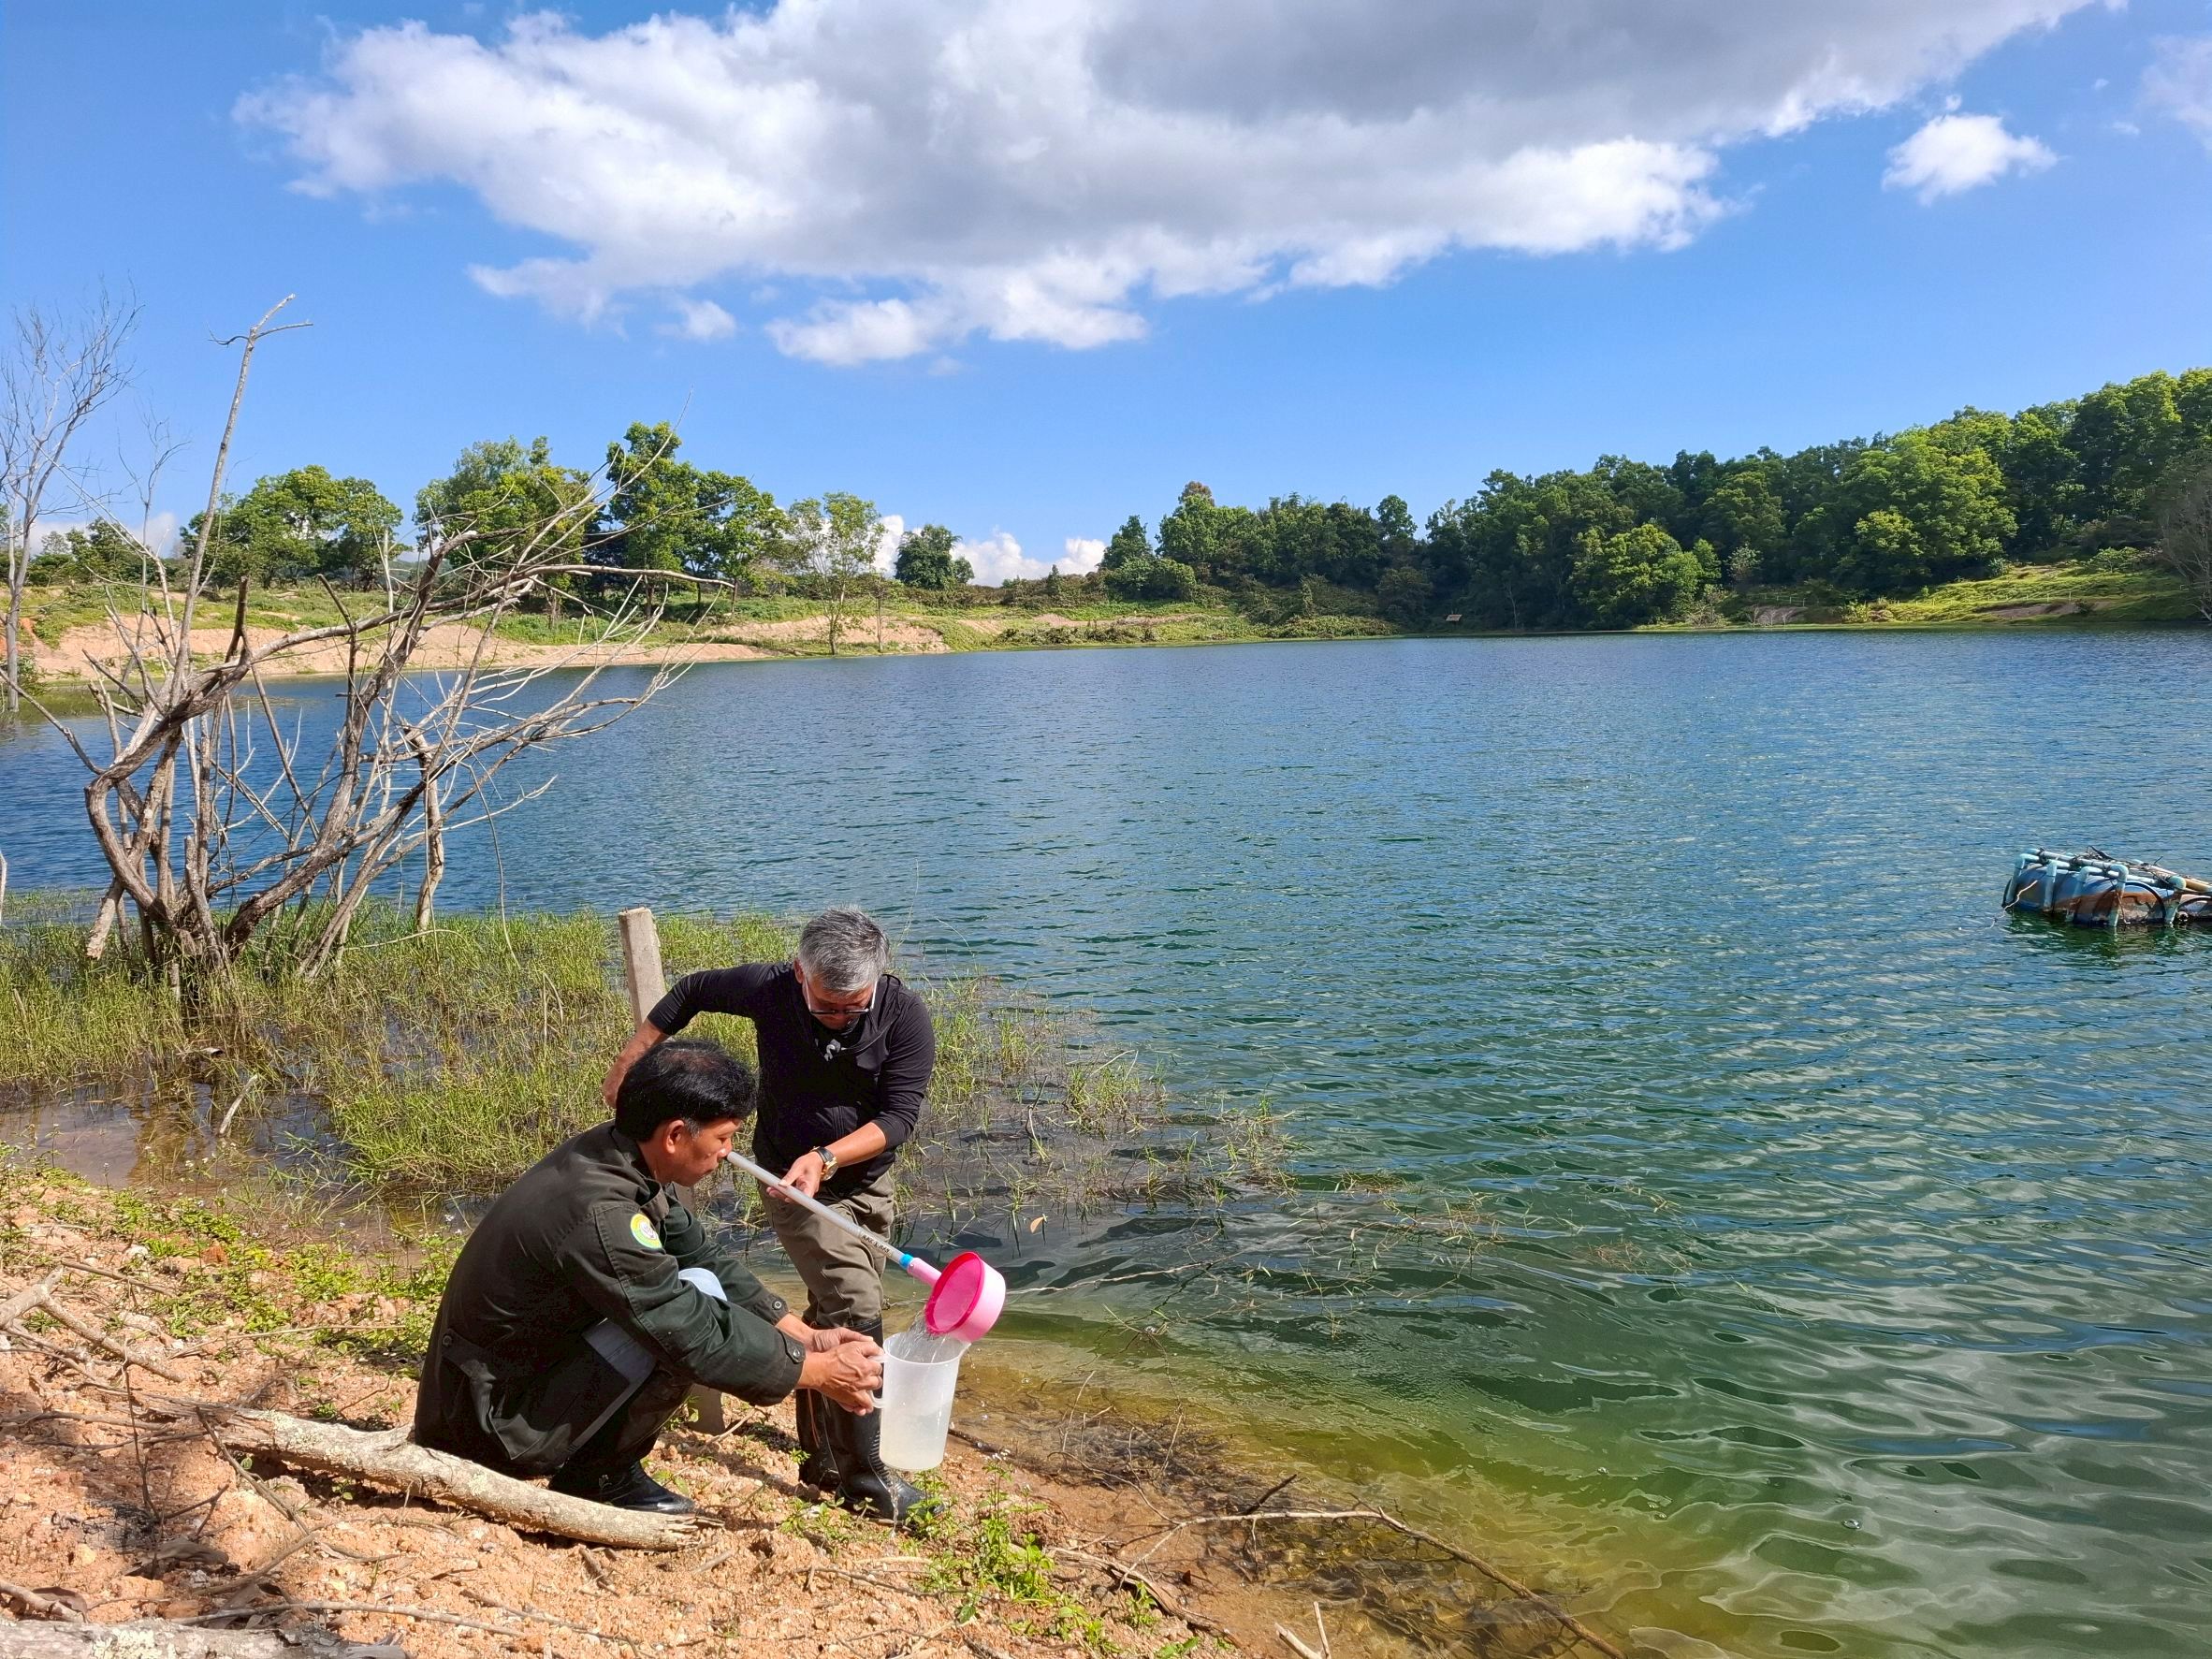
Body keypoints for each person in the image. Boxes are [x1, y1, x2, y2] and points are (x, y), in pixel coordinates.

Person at [414, 1038, 882, 1514]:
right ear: (676, 1135)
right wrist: (818, 1373)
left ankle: (601, 1467)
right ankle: (600, 1476)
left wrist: (803, 1335)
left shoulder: (614, 1153)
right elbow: (686, 1328)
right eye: (723, 1138)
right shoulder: (603, 1213)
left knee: (699, 1282)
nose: (728, 1153)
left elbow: (699, 1252)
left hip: (496, 1391)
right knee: (686, 1314)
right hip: (490, 1426)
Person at [600, 906, 938, 1523]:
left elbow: (899, 1119)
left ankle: (822, 1455)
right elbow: (694, 989)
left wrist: (828, 1155)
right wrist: (634, 1057)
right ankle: (868, 1475)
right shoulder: (769, 989)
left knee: (830, 1305)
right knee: (858, 1305)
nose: (839, 1017)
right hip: (790, 1182)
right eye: (826, 1004)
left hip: (862, 1181)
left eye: (852, 1006)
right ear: (800, 973)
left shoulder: (905, 1016)